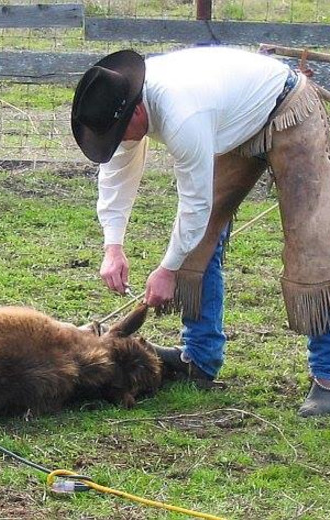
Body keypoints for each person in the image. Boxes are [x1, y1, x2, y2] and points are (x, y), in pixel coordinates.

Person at [70, 46, 330, 416]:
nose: (119, 142)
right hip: (231, 125)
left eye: (118, 134)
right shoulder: (122, 104)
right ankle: (200, 359)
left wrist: (167, 271)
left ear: (137, 111)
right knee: (198, 245)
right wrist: (113, 245)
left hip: (286, 109)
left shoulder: (182, 115)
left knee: (313, 242)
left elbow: (195, 204)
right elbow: (115, 175)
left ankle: (327, 375)